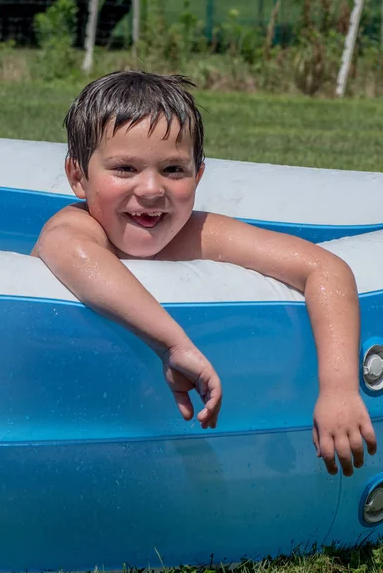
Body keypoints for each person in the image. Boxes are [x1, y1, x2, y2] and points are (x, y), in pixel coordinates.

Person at [32, 70, 376, 477]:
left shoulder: (198, 232)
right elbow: (75, 256)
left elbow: (325, 268)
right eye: (125, 168)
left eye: (173, 170)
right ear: (77, 177)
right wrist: (173, 345)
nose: (150, 189)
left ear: (198, 175)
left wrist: (338, 389)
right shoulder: (74, 228)